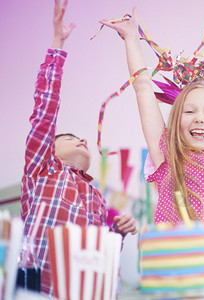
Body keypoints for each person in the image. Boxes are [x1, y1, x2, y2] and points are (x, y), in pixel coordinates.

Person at [21, 0, 138, 296]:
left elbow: (100, 251)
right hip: (37, 287)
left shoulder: (97, 198)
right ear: (50, 147)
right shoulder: (43, 170)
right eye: (71, 137)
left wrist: (117, 233)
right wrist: (57, 44)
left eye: (81, 138)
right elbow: (45, 112)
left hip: (83, 290)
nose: (83, 139)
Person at [99, 8, 204, 225]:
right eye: (189, 111)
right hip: (177, 256)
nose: (199, 118)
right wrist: (131, 38)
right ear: (176, 121)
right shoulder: (167, 155)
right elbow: (143, 89)